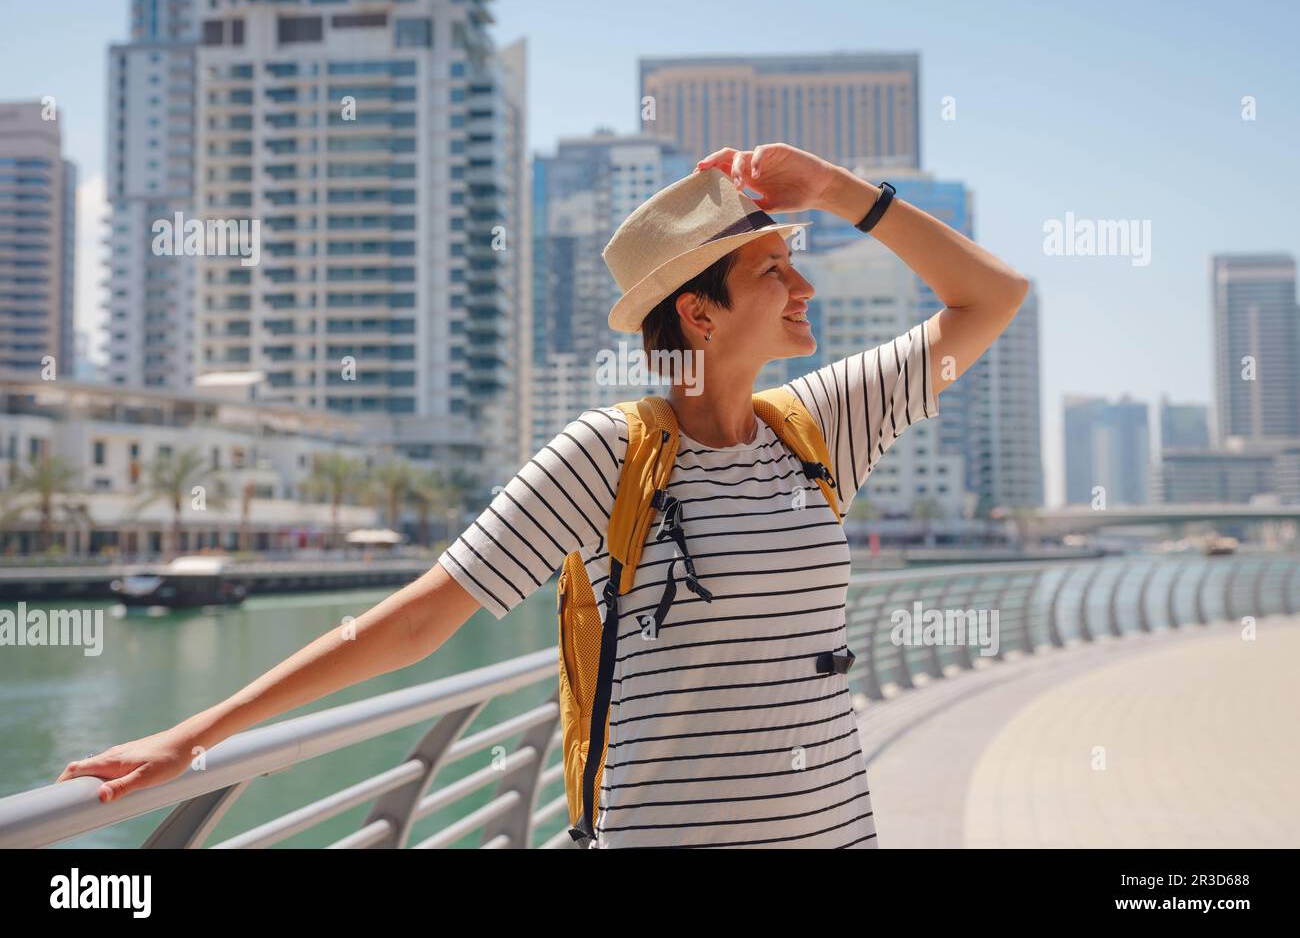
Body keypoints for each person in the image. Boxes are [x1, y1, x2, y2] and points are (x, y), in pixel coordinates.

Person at [57, 143, 1028, 849]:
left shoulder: (820, 427)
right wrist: (194, 736)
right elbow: (414, 622)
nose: (802, 285)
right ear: (698, 310)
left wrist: (837, 189)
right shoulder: (605, 456)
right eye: (773, 269)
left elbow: (992, 297)